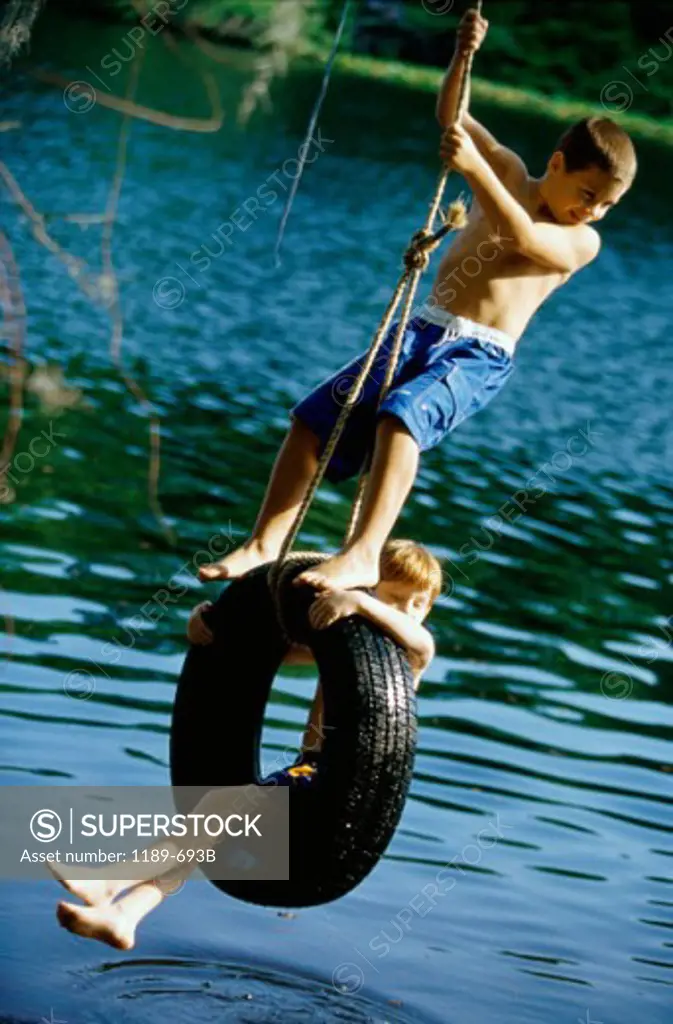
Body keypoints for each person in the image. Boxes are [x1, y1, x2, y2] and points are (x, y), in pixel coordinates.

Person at [197, 6, 636, 596]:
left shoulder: (583, 240)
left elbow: (521, 239)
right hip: (420, 327)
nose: (594, 211)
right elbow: (452, 114)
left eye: (607, 204)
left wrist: (473, 167)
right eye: (588, 194)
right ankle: (262, 543)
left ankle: (363, 553)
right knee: (313, 418)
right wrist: (463, 55)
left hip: (477, 355)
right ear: (556, 164)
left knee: (402, 415)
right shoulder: (506, 170)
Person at [51, 539, 441, 950]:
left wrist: (360, 605)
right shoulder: (345, 646)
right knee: (208, 832)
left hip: (344, 791)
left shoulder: (410, 655)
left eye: (419, 604)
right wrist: (209, 628)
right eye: (396, 598)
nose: (407, 611)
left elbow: (419, 641)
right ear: (367, 585)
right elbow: (257, 652)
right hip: (306, 774)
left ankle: (109, 883)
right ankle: (125, 915)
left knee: (219, 810)